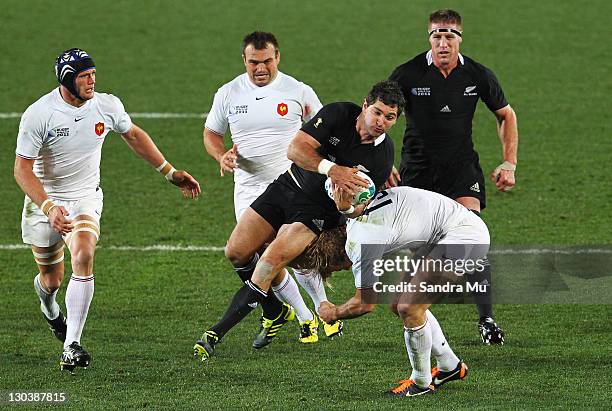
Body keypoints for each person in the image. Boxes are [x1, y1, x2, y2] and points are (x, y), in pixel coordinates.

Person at [14, 48, 201, 373]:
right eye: (84, 76)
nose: (92, 81)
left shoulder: (105, 105)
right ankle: (49, 309)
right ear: (67, 79)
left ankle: (71, 345)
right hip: (45, 202)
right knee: (52, 279)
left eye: (93, 74)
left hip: (85, 197)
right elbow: (22, 170)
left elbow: (133, 135)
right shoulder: (39, 114)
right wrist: (48, 206)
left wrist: (170, 172)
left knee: (84, 254)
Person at [193, 80, 404, 360]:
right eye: (377, 112)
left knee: (270, 261)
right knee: (236, 251)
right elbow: (295, 150)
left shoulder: (382, 155)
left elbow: (360, 207)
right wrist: (333, 170)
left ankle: (214, 335)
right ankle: (276, 310)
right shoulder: (338, 114)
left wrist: (346, 209)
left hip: (316, 214)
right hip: (287, 187)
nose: (381, 121)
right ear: (365, 106)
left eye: (390, 117)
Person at [388, 9, 519, 344]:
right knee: (422, 251)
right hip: (418, 171)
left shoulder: (477, 75)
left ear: (460, 38)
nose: (442, 43)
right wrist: (381, 163)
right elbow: (380, 116)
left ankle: (487, 319)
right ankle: (418, 313)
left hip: (461, 168)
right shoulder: (407, 74)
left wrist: (509, 162)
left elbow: (505, 114)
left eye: (449, 37)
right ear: (429, 38)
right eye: (436, 36)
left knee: (472, 237)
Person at [202, 31, 340, 343]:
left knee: (294, 251)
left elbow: (325, 129)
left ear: (278, 57)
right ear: (244, 60)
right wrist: (220, 155)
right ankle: (304, 316)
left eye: (267, 61)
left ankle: (320, 312)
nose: (260, 67)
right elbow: (211, 133)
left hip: (293, 184)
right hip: (249, 188)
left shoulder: (297, 90)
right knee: (258, 253)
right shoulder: (228, 93)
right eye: (254, 62)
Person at [316, 184, 489, 396]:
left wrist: (333, 313)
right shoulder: (362, 202)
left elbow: (364, 304)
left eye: (337, 269)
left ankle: (420, 383)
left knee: (410, 308)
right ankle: (449, 366)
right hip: (446, 230)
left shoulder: (360, 242)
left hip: (464, 237)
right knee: (398, 304)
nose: (344, 269)